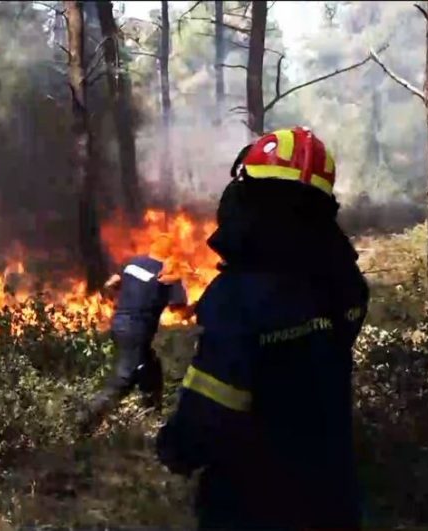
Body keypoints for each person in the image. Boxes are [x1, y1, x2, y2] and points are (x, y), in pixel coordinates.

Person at [156, 127, 369, 529]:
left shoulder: (238, 296)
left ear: (250, 198)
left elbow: (211, 409)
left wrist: (175, 447)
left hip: (253, 505)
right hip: (333, 497)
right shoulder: (346, 282)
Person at [78, 235, 192, 432]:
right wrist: (197, 300)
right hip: (137, 330)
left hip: (119, 323)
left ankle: (153, 416)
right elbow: (179, 311)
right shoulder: (169, 274)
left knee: (151, 366)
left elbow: (110, 284)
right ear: (171, 254)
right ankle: (86, 419)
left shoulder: (133, 263)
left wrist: (123, 299)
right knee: (125, 377)